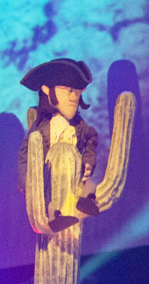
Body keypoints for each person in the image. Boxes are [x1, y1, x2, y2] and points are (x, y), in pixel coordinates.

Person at [17, 58, 100, 232]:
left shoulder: (79, 126)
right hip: (49, 184)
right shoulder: (40, 130)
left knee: (87, 185)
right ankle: (54, 216)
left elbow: (91, 137)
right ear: (48, 90)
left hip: (74, 181)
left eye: (77, 93)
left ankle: (85, 201)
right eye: (68, 91)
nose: (73, 97)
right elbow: (26, 156)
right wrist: (28, 186)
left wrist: (88, 160)